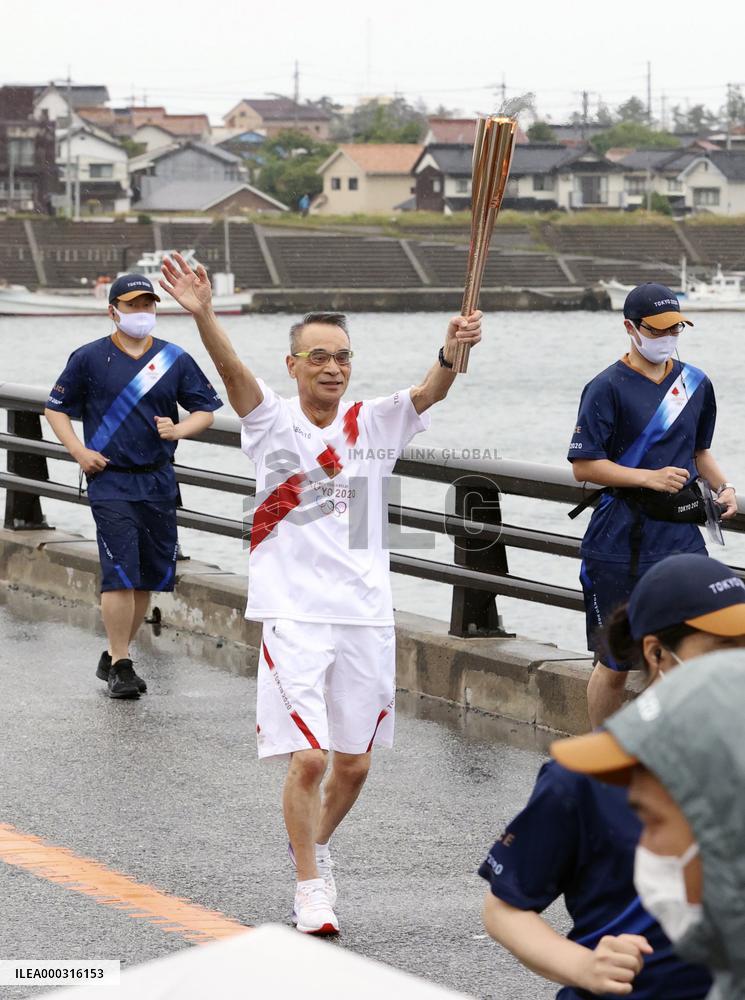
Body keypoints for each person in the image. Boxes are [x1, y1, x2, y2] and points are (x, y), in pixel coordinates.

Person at [159, 251, 482, 936]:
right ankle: (310, 886)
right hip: (294, 614)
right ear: (295, 365)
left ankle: (312, 846)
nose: (332, 367)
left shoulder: (375, 422)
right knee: (307, 756)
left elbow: (432, 390)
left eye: (341, 356)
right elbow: (232, 376)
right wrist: (205, 315)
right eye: (317, 357)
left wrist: (453, 350)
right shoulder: (271, 423)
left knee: (355, 765)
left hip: (364, 613)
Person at [480, 552, 745, 999]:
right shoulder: (588, 773)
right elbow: (503, 907)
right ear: (657, 652)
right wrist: (584, 966)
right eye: (722, 646)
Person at [567, 282, 737, 728]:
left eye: (676, 327)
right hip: (617, 542)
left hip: (681, 540)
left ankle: (667, 754)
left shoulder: (696, 383)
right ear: (630, 328)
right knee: (616, 663)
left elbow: (700, 453)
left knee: (688, 654)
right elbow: (584, 466)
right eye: (658, 329)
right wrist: (649, 477)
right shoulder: (604, 387)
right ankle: (603, 756)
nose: (669, 336)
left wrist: (726, 488)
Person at [44, 273, 222, 699]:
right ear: (113, 311)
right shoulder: (89, 358)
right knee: (119, 574)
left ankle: (114, 652)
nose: (142, 313)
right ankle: (123, 665)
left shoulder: (174, 358)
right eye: (132, 305)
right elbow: (56, 409)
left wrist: (179, 429)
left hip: (158, 480)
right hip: (110, 480)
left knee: (145, 577)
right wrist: (79, 452)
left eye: (148, 305)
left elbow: (207, 410)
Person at [551, 647, 745, 1000]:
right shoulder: (578, 783)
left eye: (653, 822)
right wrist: (582, 966)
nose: (645, 847)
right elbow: (505, 907)